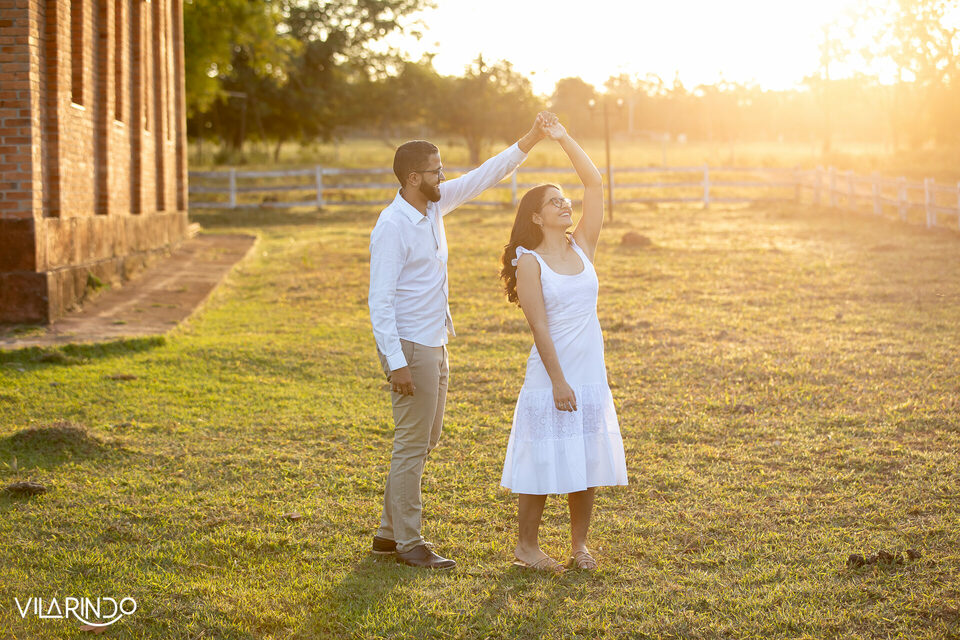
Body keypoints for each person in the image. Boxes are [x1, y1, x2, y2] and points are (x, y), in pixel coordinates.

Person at [368, 114, 552, 569]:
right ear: (414, 178)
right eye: (436, 171)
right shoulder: (392, 226)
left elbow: (485, 175)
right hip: (410, 346)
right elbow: (379, 301)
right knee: (412, 444)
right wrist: (396, 361)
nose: (443, 176)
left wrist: (531, 137)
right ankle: (409, 542)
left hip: (434, 340)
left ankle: (388, 534)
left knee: (425, 440)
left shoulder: (433, 206)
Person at [498, 116, 628, 573]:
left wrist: (563, 137)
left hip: (589, 371)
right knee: (541, 456)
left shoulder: (583, 246)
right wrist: (558, 381)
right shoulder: (529, 262)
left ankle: (579, 547)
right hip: (551, 374)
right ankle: (526, 547)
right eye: (554, 202)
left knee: (586, 457)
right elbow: (538, 326)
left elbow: (594, 183)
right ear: (536, 217)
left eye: (564, 199)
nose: (565, 204)